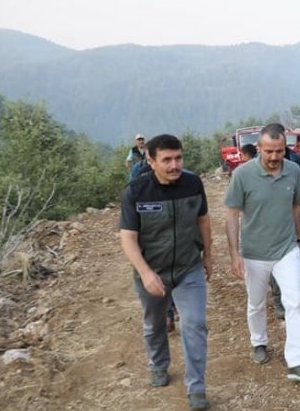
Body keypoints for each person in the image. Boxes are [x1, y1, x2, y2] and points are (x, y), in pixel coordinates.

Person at [119, 134, 212, 410]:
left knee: (194, 324)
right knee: (154, 323)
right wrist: (146, 273)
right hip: (152, 271)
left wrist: (208, 253)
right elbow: (127, 238)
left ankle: (196, 387)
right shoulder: (136, 191)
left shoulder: (193, 183)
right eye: (167, 160)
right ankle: (158, 364)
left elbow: (203, 220)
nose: (174, 165)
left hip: (187, 268)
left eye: (178, 158)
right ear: (151, 160)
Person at [224, 123, 300, 381]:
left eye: (280, 151)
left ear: (286, 149)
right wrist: (234, 254)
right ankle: (258, 342)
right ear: (259, 149)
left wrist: (297, 240)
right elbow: (231, 216)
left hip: (286, 249)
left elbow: (296, 206)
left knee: (295, 302)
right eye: (269, 152)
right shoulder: (242, 175)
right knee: (256, 303)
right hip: (254, 252)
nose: (275, 157)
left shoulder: (294, 171)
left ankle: (296, 361)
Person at [268, 126, 300, 320]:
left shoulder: (295, 159)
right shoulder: (259, 163)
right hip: (271, 217)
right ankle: (279, 298)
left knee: (293, 256)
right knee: (273, 257)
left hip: (294, 211)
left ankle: (293, 301)